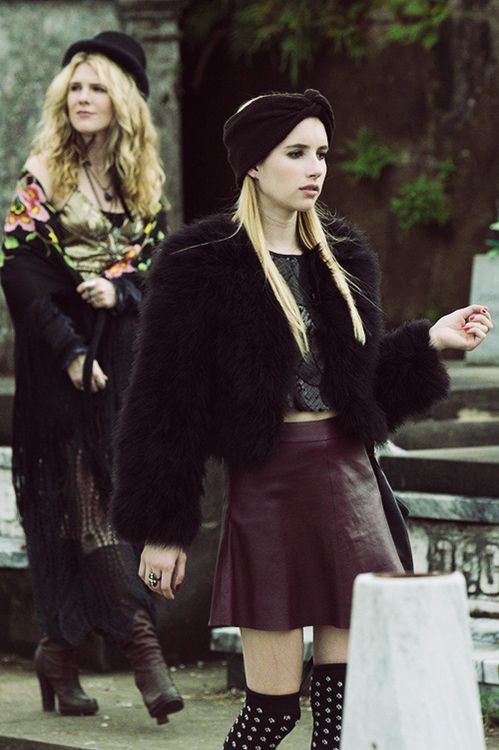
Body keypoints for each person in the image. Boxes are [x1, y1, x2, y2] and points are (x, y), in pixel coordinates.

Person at [110, 89, 493, 749]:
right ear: (254, 163)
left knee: (343, 717)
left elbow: (363, 394)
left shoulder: (342, 256)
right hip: (270, 491)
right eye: (296, 153)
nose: (314, 167)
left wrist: (429, 341)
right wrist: (161, 529)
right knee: (271, 712)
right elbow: (164, 403)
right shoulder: (200, 263)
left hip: (348, 486)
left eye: (321, 152)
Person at [1, 31, 183, 724]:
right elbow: (18, 269)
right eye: (74, 86)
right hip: (60, 364)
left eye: (97, 86)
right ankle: (145, 654)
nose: (82, 97)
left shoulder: (141, 180)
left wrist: (123, 291)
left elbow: (155, 267)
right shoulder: (43, 172)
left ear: (124, 100)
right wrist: (73, 351)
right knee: (87, 505)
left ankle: (57, 652)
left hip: (125, 364)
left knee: (107, 501)